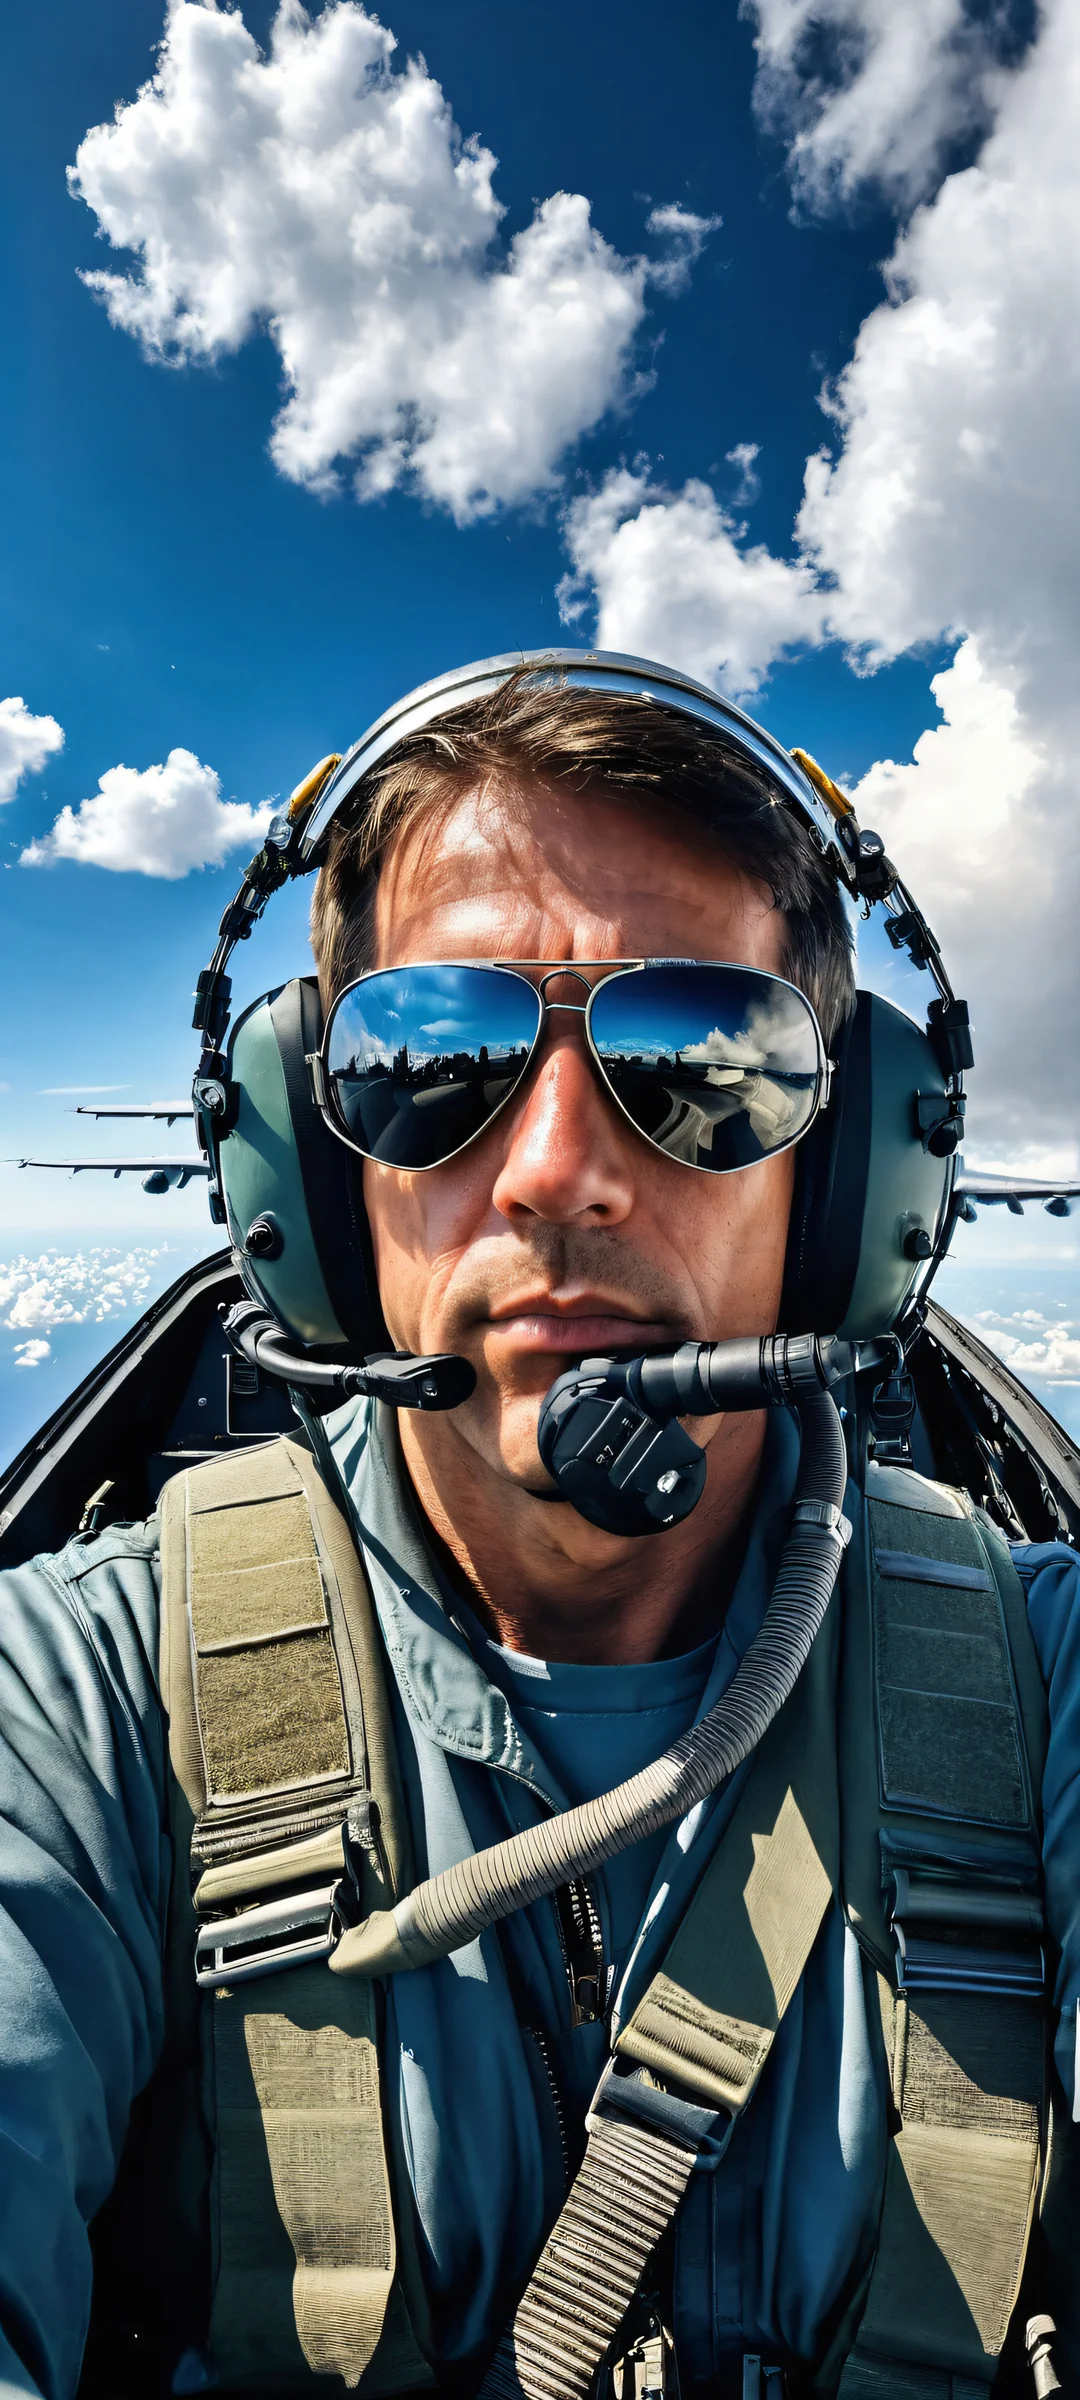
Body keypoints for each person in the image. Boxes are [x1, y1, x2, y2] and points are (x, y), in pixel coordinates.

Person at [1, 658, 1078, 2400]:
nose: (555, 1167)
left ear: (851, 1170)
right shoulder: (75, 1701)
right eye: (437, 1058)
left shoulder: (1046, 1677)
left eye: (703, 1055)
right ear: (312, 1161)